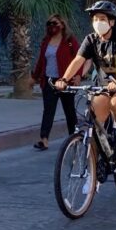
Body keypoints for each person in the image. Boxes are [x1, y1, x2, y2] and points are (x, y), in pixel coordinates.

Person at [55, 1, 116, 168]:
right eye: (95, 19)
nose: (98, 22)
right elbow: (78, 61)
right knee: (94, 127)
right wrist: (64, 80)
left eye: (102, 18)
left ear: (112, 22)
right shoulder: (91, 40)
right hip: (102, 86)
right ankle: (94, 173)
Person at [32, 14, 79, 151]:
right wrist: (35, 77)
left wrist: (77, 75)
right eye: (49, 23)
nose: (52, 26)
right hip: (49, 80)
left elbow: (79, 58)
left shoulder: (69, 41)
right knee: (48, 111)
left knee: (69, 111)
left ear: (62, 25)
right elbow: (41, 60)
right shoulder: (46, 40)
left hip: (66, 80)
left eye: (55, 23)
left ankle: (74, 137)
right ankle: (44, 139)